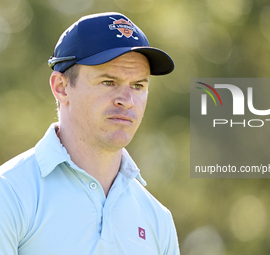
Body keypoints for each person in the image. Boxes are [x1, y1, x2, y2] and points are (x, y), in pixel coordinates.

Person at [0, 12, 180, 255]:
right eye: (109, 82)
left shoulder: (158, 220)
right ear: (61, 88)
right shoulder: (9, 192)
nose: (127, 101)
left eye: (138, 86)